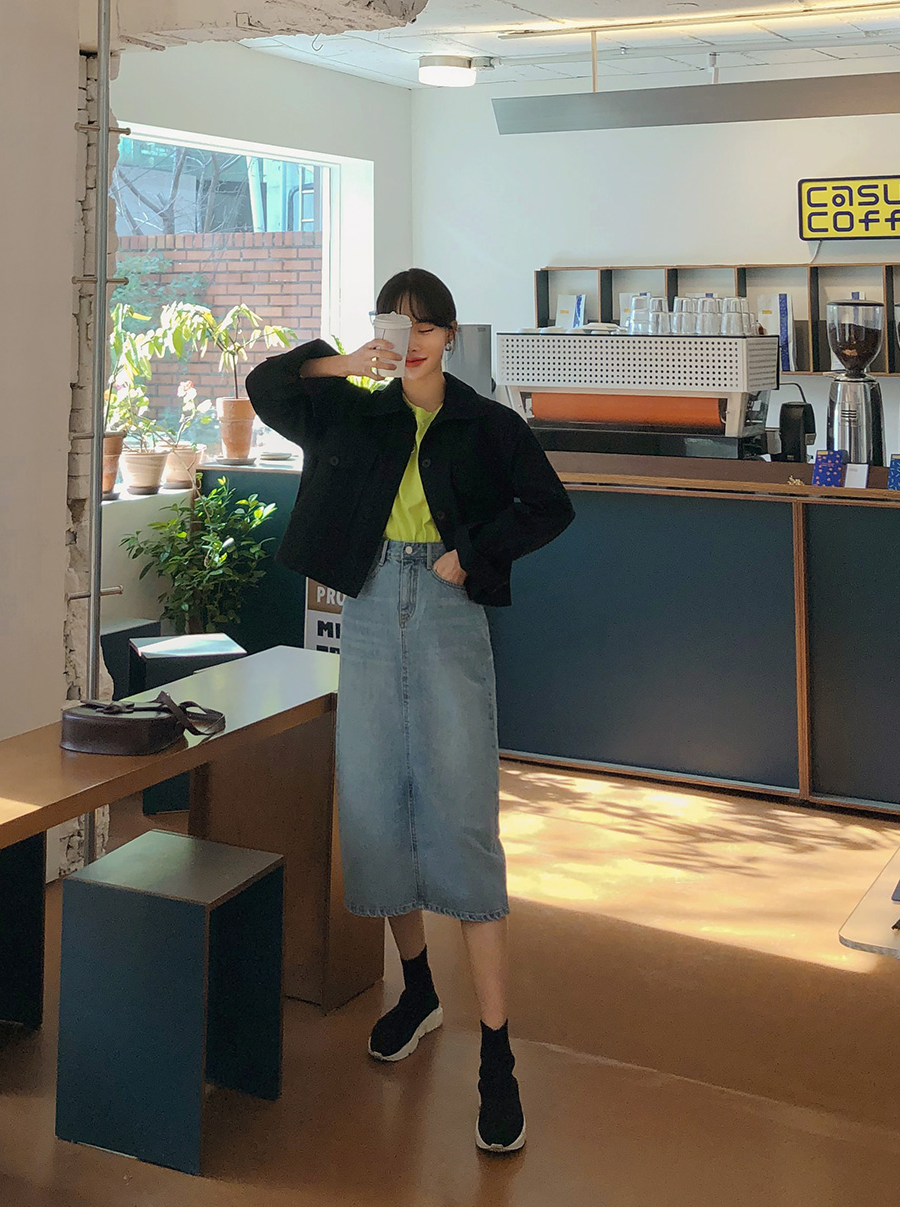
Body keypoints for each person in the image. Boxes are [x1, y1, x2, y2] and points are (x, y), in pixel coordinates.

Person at [245, 269, 574, 1154]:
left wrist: (473, 552)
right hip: (366, 611)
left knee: (462, 818)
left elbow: (550, 506)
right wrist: (341, 362)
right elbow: (267, 385)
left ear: (452, 336)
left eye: (428, 326)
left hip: (447, 608)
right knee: (376, 804)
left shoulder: (487, 425)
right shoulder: (356, 411)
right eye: (397, 323)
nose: (413, 339)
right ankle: (419, 989)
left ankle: (497, 1055)